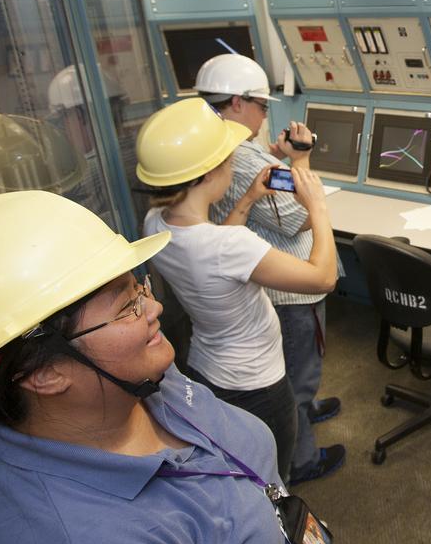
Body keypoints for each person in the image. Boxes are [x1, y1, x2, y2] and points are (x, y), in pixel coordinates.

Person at [0, 190, 334, 544]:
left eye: (139, 287)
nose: (155, 307)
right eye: (128, 306)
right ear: (43, 374)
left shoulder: (135, 378)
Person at [135, 97, 341, 484]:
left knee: (242, 464)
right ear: (209, 173)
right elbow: (323, 276)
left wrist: (247, 199)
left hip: (208, 367)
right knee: (273, 479)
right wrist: (318, 207)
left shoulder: (156, 222)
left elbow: (215, 253)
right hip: (258, 382)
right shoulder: (228, 247)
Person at [196, 53, 345, 484]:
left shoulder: (225, 147)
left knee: (301, 366)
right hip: (291, 291)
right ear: (238, 103)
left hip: (271, 280)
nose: (265, 115)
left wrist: (277, 154)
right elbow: (298, 216)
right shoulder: (240, 157)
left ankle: (307, 406)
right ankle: (302, 460)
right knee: (297, 373)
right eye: (263, 106)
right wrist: (301, 162)